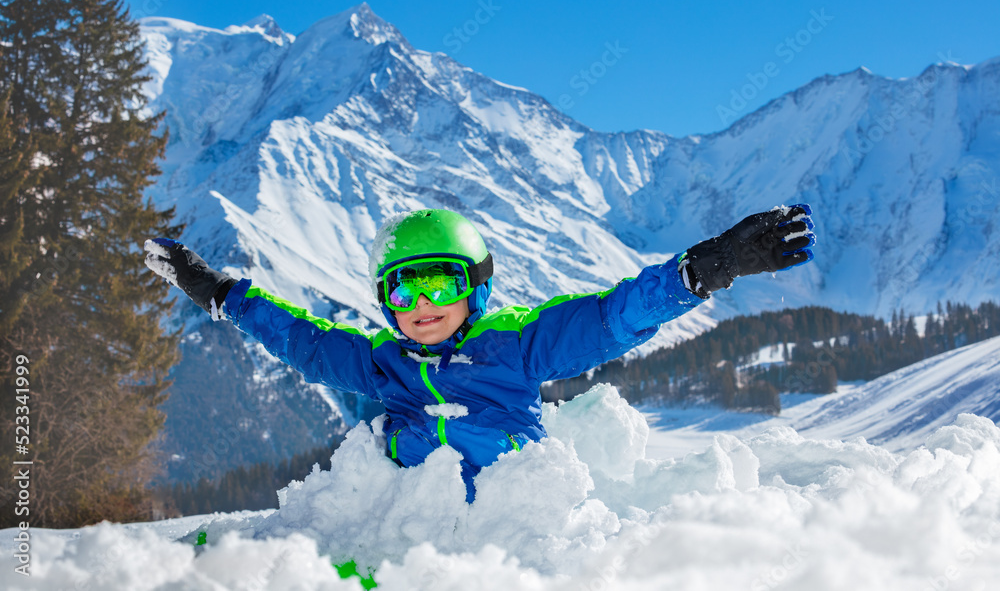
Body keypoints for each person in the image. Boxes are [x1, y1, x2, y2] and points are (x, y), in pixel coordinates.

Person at [145, 205, 815, 501]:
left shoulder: (517, 344)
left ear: (477, 288)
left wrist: (705, 268)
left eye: (439, 281)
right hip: (415, 532)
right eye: (402, 287)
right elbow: (303, 340)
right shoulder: (385, 359)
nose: (421, 303)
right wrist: (218, 292)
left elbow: (613, 317)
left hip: (512, 528)